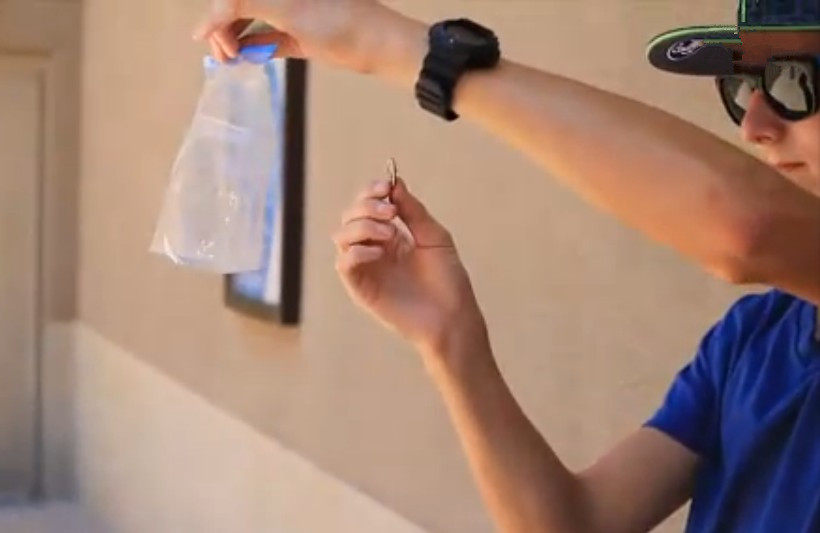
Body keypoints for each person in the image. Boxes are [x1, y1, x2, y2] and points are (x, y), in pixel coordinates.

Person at [194, 1, 820, 531]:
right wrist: (450, 339)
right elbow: (574, 523)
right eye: (743, 90)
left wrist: (386, 44)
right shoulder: (756, 336)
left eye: (795, 82)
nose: (754, 126)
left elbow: (746, 230)